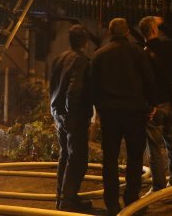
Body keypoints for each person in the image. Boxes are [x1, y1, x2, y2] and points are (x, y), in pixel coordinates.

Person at [91, 18, 157, 215]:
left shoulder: (99, 55)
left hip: (110, 114)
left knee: (110, 158)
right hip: (134, 113)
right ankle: (132, 200)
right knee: (135, 158)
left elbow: (93, 88)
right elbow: (149, 80)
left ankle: (111, 203)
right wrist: (151, 105)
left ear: (110, 33)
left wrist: (100, 110)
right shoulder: (138, 53)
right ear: (127, 32)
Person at [49, 24, 94, 212]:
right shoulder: (81, 60)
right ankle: (68, 200)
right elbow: (74, 91)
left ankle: (62, 197)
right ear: (84, 41)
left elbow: (53, 86)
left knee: (65, 155)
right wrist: (71, 115)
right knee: (78, 158)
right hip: (73, 117)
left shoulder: (60, 58)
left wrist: (58, 112)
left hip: (58, 113)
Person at [139, 15, 172, 191]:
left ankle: (158, 186)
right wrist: (163, 23)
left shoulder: (142, 54)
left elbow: (143, 82)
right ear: (154, 30)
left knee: (154, 146)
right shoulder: (168, 47)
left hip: (155, 106)